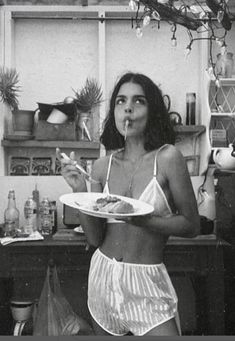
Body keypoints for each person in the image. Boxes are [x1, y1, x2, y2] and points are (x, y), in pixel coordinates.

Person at [57, 72, 200, 336]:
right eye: (121, 101)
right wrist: (79, 190)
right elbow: (95, 237)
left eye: (139, 101)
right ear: (114, 112)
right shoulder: (102, 167)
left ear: (152, 110)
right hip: (103, 280)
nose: (128, 108)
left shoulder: (168, 158)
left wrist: (145, 221)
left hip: (146, 284)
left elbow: (192, 225)